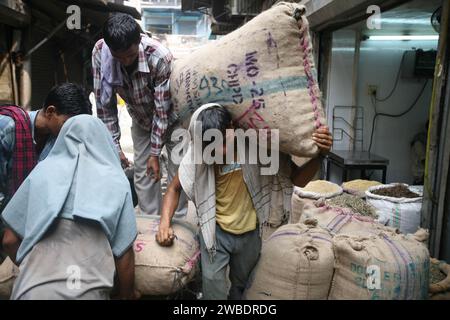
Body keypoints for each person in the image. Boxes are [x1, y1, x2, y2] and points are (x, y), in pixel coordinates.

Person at [156, 104, 333, 300]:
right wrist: (164, 223)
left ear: (233, 127)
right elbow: (173, 188)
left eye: (224, 140)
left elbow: (297, 179)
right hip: (215, 232)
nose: (221, 151)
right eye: (212, 145)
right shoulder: (198, 157)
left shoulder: (256, 149)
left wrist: (321, 154)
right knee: (212, 288)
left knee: (242, 288)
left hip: (250, 234)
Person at [1, 115, 138, 300]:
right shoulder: (117, 181)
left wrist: (39, 273)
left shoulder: (41, 173)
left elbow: (9, 240)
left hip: (29, 293)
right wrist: (127, 294)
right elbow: (123, 253)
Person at [92, 13, 187, 216]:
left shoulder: (159, 57)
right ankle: (150, 223)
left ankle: (179, 227)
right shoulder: (101, 52)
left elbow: (162, 112)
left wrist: (155, 154)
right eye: (119, 57)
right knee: (145, 176)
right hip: (141, 119)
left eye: (131, 55)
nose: (126, 61)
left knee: (178, 173)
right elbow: (104, 107)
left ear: (139, 41)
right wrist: (115, 147)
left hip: (174, 118)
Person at [0, 83, 92, 262]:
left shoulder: (58, 140)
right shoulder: (6, 127)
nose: (72, 131)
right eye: (68, 124)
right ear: (50, 111)